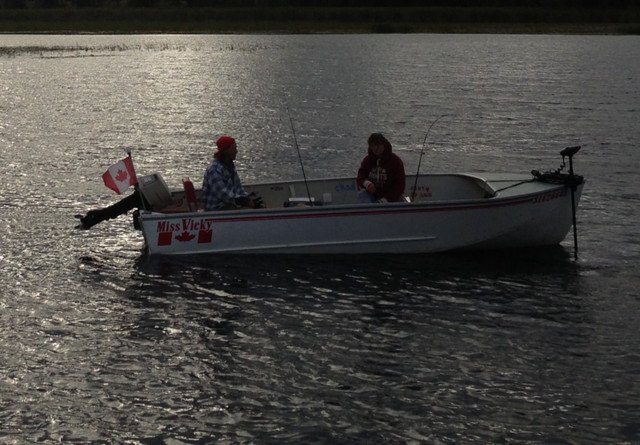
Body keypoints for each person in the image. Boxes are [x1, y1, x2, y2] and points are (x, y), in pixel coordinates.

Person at [202, 135, 261, 211]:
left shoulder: (230, 165)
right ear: (226, 151)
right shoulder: (214, 169)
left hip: (228, 204)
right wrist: (244, 202)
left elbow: (238, 187)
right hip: (215, 209)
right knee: (246, 210)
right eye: (234, 149)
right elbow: (223, 195)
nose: (236, 151)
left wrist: (247, 198)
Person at [356, 132, 406, 203]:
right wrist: (367, 183)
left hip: (391, 197)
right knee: (362, 195)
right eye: (373, 145)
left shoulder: (396, 161)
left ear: (384, 145)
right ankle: (368, 212)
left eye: (378, 145)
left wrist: (386, 199)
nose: (375, 148)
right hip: (371, 195)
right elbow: (360, 176)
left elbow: (400, 186)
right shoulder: (367, 160)